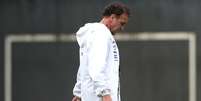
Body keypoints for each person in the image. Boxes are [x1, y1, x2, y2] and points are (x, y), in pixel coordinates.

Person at [72, 2, 130, 101]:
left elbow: (85, 66)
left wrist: (79, 93)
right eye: (122, 23)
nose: (122, 28)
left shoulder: (97, 34)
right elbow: (96, 66)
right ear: (112, 18)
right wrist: (105, 93)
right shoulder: (101, 34)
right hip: (100, 97)